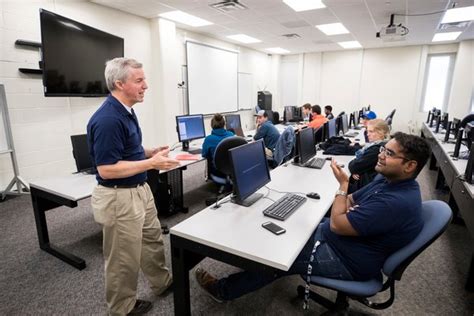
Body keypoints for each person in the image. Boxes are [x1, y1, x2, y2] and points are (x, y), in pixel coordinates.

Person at [195, 132, 430, 303]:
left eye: (389, 153)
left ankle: (224, 290)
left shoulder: (395, 202)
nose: (380, 155)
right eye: (382, 149)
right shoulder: (387, 181)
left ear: (410, 166)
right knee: (292, 226)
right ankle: (243, 257)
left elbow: (338, 223)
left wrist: (343, 185)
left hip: (349, 261)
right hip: (349, 243)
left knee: (281, 254)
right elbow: (350, 201)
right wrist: (341, 196)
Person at [87, 58, 179, 316]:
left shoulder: (127, 110)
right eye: (139, 81)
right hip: (118, 198)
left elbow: (127, 151)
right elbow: (106, 168)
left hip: (139, 190)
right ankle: (121, 308)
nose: (146, 85)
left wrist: (149, 152)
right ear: (119, 83)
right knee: (122, 259)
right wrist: (151, 162)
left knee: (152, 240)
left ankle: (162, 283)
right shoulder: (107, 119)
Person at [348, 119, 389, 193]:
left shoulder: (376, 150)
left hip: (363, 188)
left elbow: (353, 166)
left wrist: (356, 169)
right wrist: (357, 169)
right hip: (367, 183)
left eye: (371, 131)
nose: (367, 134)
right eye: (367, 131)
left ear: (381, 133)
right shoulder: (382, 144)